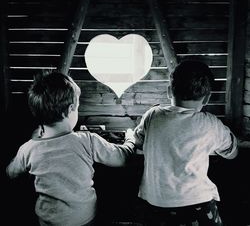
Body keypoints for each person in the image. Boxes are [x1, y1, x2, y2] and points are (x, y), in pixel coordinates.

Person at [6, 71, 135, 226]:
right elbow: (122, 158)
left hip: (47, 221)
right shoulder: (87, 141)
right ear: (70, 109)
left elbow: (10, 173)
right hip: (83, 219)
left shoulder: (28, 149)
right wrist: (130, 140)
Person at [133, 60, 238, 226]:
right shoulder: (210, 124)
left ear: (169, 91)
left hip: (155, 204)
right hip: (196, 204)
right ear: (207, 98)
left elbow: (138, 142)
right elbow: (232, 153)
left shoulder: (152, 115)